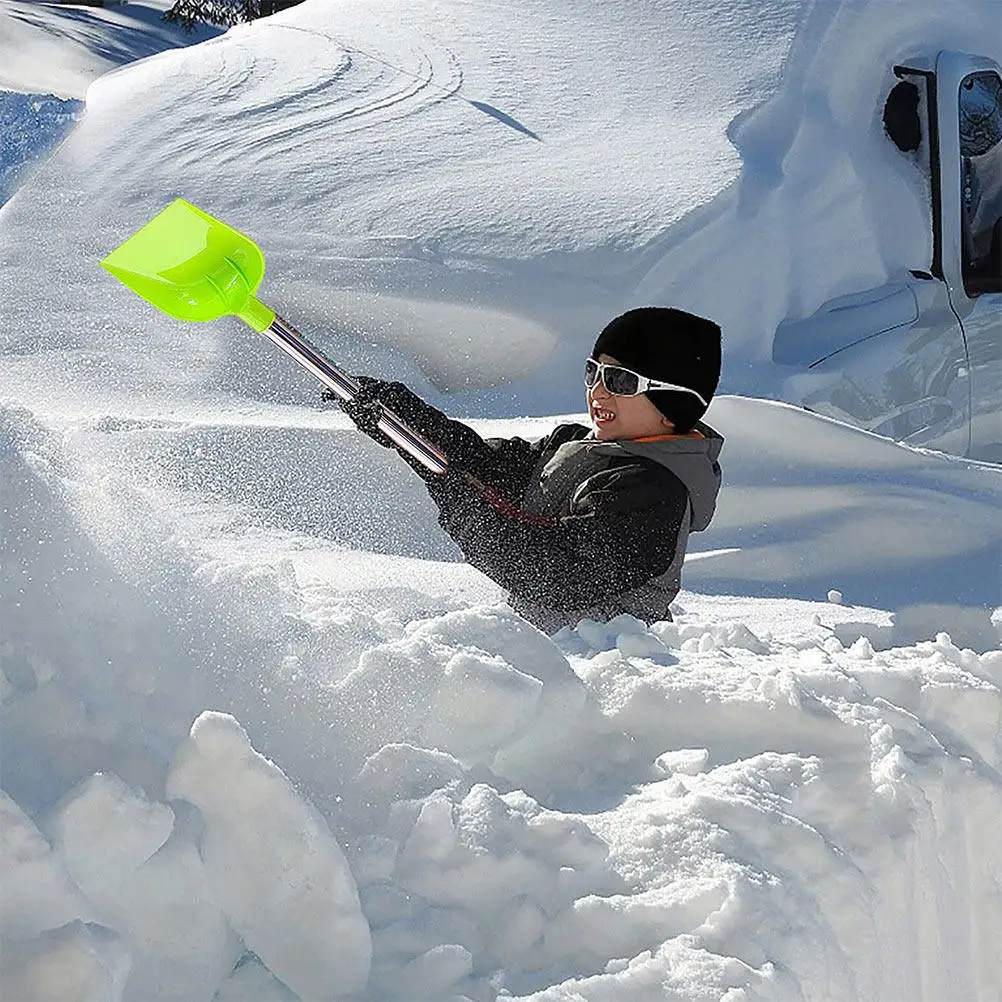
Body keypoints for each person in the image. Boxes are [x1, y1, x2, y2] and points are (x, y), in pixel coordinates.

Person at [334, 306, 724, 633]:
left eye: (621, 380)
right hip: (547, 661)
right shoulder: (575, 447)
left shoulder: (655, 491)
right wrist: (406, 420)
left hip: (604, 677)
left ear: (674, 406)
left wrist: (458, 501)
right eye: (594, 372)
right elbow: (485, 466)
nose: (598, 391)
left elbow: (553, 571)